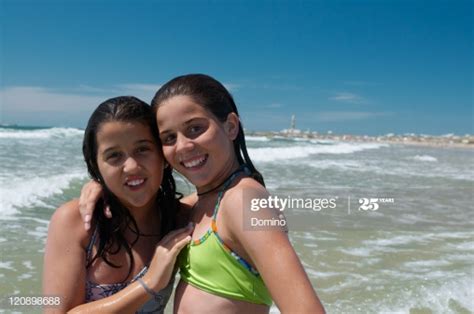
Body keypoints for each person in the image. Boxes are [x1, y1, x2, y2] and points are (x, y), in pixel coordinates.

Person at [80, 74, 326, 313]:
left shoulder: (246, 202)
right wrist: (104, 185)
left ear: (230, 126)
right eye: (169, 137)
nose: (184, 146)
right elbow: (152, 205)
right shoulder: (202, 205)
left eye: (195, 128)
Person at [43, 96, 193, 313]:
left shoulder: (179, 219)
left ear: (163, 155)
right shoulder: (76, 221)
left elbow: (237, 194)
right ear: (96, 165)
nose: (131, 166)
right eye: (114, 156)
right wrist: (148, 283)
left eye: (142, 149)